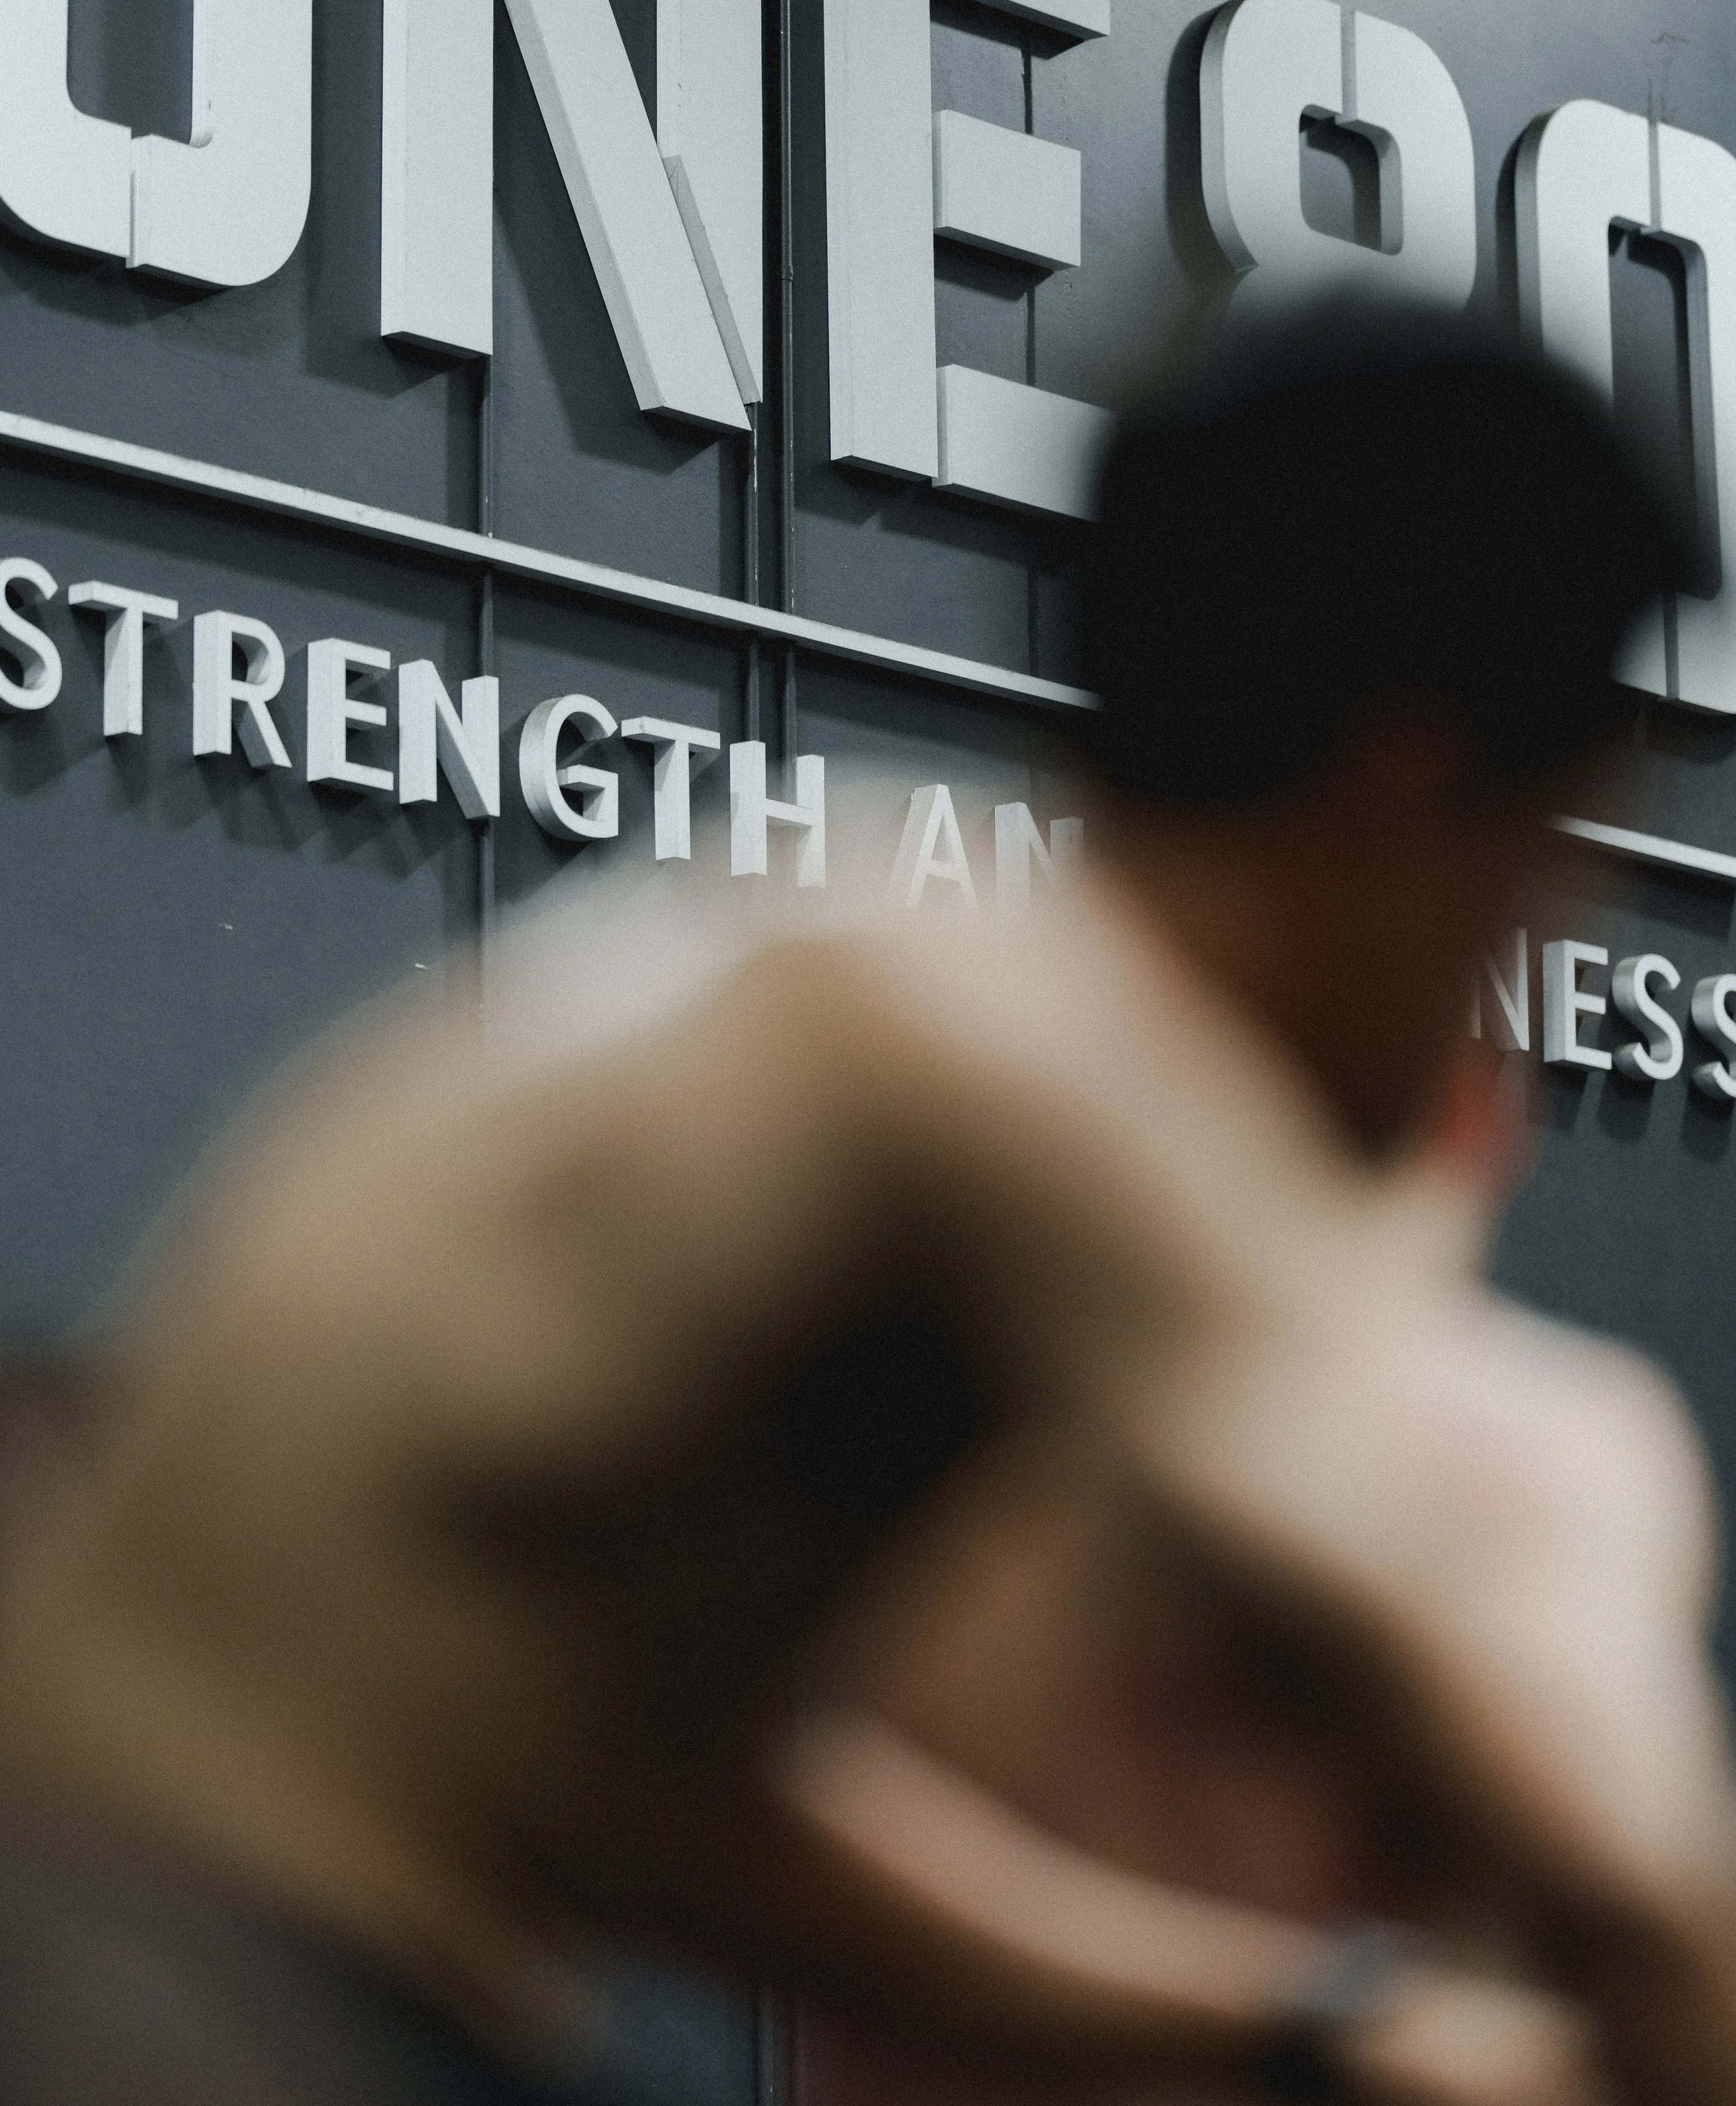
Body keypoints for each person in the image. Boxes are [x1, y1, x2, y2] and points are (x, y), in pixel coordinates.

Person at [0, 303, 1728, 2106]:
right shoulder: (1015, 1057)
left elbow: (689, 1821)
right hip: (181, 1982)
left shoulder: (872, 964)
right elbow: (1605, 1849)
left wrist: (1310, 2023)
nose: (1523, 971)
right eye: (1548, 883)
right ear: (1401, 791)